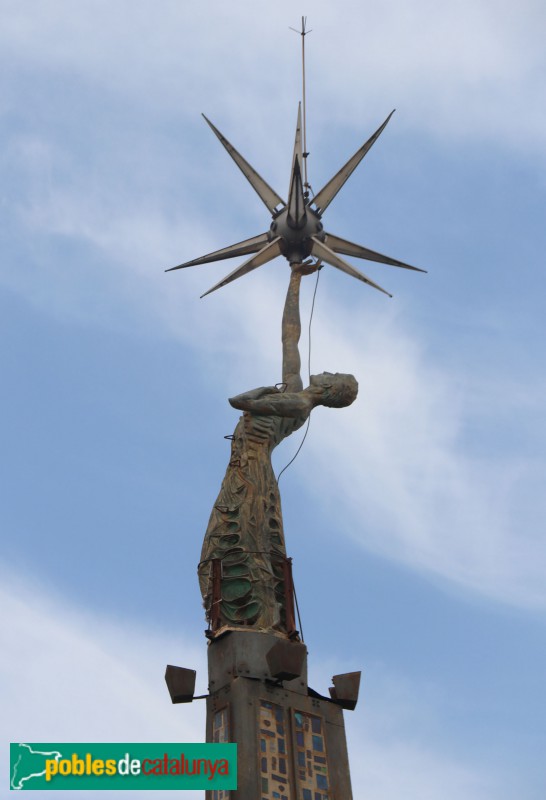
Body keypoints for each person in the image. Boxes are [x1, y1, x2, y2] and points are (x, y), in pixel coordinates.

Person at [198, 263, 358, 635]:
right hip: (243, 469)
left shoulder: (299, 404)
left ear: (332, 391)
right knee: (227, 540)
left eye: (334, 375)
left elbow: (239, 401)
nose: (327, 370)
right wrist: (296, 279)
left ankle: (261, 618)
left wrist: (258, 391)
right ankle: (250, 615)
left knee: (240, 540)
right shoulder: (294, 387)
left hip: (252, 474)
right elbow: (290, 336)